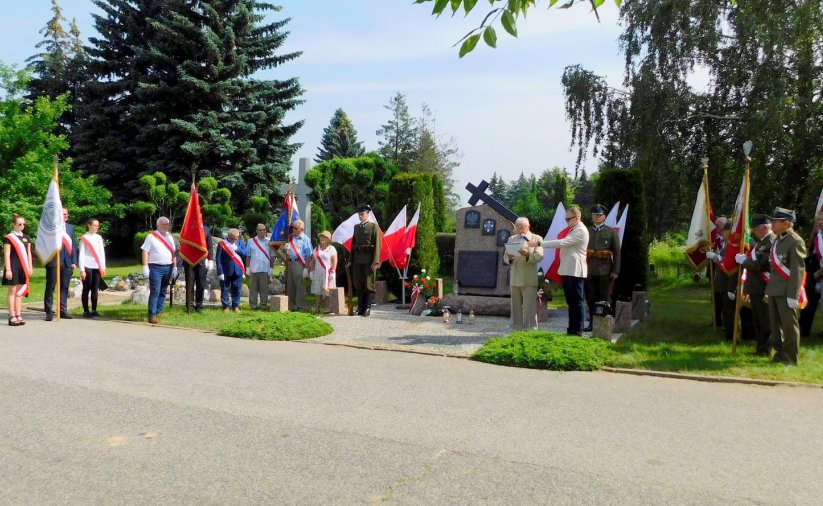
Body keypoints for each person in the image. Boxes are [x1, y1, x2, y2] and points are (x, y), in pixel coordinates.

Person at [537, 206, 589, 336]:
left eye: (568, 219)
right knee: (571, 302)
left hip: (575, 270)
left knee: (577, 301)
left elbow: (563, 242)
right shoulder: (573, 229)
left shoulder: (581, 230)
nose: (566, 221)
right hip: (568, 269)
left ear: (578, 217)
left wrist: (541, 244)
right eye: (565, 219)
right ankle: (572, 328)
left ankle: (578, 330)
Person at [765, 207, 806, 365]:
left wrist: (793, 295)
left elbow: (797, 270)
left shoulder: (795, 241)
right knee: (776, 327)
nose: (772, 224)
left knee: (789, 327)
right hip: (774, 289)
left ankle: (790, 357)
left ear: (787, 223)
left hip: (786, 291)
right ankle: (780, 354)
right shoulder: (778, 239)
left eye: (776, 221)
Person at [735, 214, 774, 355]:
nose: (753, 232)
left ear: (764, 227)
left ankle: (766, 350)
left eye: (755, 229)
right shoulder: (761, 242)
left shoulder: (770, 242)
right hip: (756, 287)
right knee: (757, 320)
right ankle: (761, 348)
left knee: (765, 321)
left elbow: (761, 266)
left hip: (763, 286)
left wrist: (744, 261)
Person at [503, 217, 544, 330]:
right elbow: (505, 257)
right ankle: (516, 327)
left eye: (523, 227)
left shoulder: (536, 238)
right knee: (515, 306)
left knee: (529, 306)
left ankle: (530, 328)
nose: (520, 230)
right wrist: (509, 258)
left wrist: (527, 255)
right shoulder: (512, 238)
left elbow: (539, 256)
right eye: (518, 227)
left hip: (528, 278)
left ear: (528, 226)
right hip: (515, 277)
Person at [584, 204, 621, 331]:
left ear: (604, 217)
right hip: (589, 269)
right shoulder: (586, 231)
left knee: (604, 297)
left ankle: (605, 323)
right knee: (590, 297)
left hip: (605, 269)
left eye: (599, 215)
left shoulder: (611, 232)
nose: (596, 217)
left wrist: (616, 270)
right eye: (594, 215)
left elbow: (617, 252)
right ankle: (592, 323)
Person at [141, 217, 178, 324]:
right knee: (155, 291)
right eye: (163, 224)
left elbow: (173, 253)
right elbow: (145, 252)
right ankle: (152, 314)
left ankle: (159, 310)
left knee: (163, 291)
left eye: (167, 224)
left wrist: (175, 266)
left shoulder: (170, 237)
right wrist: (145, 267)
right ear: (157, 225)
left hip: (168, 266)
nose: (166, 226)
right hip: (155, 267)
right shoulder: (151, 236)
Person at [44, 207, 78, 320]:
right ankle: (49, 311)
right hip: (53, 261)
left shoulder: (70, 228)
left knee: (64, 287)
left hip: (67, 262)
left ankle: (63, 310)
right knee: (50, 287)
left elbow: (73, 246)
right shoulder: (51, 227)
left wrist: (74, 261)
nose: (65, 216)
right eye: (63, 214)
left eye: (66, 214)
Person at [350, 205, 381, 317]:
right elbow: (352, 244)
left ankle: (367, 308)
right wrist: (351, 259)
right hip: (358, 260)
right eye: (359, 214)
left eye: (363, 214)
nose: (361, 216)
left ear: (368, 214)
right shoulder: (356, 227)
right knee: (359, 284)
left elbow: (377, 245)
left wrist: (375, 261)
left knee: (369, 284)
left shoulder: (373, 227)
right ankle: (360, 307)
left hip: (369, 260)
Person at [3, 214, 33, 326]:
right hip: (13, 266)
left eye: (23, 224)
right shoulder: (9, 238)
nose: (22, 226)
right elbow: (7, 254)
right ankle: (11, 315)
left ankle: (18, 314)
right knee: (12, 291)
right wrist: (8, 270)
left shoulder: (26, 237)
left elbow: (29, 253)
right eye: (19, 224)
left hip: (23, 267)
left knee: (19, 293)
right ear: (13, 224)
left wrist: (30, 266)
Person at [799, 208, 823, 337]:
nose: (820, 223)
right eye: (818, 220)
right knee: (810, 302)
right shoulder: (816, 237)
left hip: (820, 272)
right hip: (814, 274)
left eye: (822, 220)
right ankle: (804, 329)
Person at [279, 219, 313, 311]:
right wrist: (286, 250)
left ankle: (300, 305)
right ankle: (291, 305)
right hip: (290, 263)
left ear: (301, 229)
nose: (293, 229)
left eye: (295, 228)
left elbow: (309, 255)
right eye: (293, 227)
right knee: (290, 285)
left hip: (299, 263)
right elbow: (285, 252)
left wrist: (306, 268)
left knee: (299, 285)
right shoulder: (290, 237)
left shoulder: (305, 239)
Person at [78, 218, 107, 318]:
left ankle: (94, 310)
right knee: (87, 288)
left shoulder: (99, 237)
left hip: (97, 266)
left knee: (95, 288)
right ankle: (86, 310)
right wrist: (82, 269)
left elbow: (101, 253)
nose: (96, 227)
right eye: (94, 225)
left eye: (97, 225)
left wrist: (103, 266)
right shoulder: (84, 238)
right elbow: (81, 254)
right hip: (87, 265)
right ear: (89, 225)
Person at [183, 223, 213, 314]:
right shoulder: (187, 227)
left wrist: (210, 259)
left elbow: (209, 246)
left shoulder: (206, 229)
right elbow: (183, 243)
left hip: (202, 261)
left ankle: (199, 306)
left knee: (201, 283)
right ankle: (189, 307)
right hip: (189, 260)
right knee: (190, 284)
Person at [216, 228, 248, 313]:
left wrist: (237, 249)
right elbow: (218, 259)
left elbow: (245, 254)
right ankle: (226, 306)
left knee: (237, 288)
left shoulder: (241, 243)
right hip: (225, 270)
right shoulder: (222, 244)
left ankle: (236, 306)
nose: (234, 239)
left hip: (238, 270)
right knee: (225, 289)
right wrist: (220, 272)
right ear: (229, 236)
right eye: (233, 238)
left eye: (236, 238)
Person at [308, 230, 338, 313]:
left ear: (328, 239)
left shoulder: (332, 249)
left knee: (327, 291)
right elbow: (313, 261)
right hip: (318, 272)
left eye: (324, 237)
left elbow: (334, 261)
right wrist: (311, 271)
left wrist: (333, 271)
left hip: (328, 273)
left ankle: (327, 308)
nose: (322, 238)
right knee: (318, 292)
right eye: (321, 236)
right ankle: (317, 308)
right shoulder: (316, 249)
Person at [246, 223, 273, 310]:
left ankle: (263, 305)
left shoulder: (269, 241)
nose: (262, 231)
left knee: (264, 289)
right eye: (260, 230)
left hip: (265, 269)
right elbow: (248, 256)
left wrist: (271, 268)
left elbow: (272, 256)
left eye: (264, 230)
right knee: (253, 288)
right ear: (257, 231)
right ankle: (253, 305)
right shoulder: (251, 241)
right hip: (254, 269)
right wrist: (247, 268)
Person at [709, 216, 728, 328]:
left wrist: (715, 256)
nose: (716, 226)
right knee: (715, 298)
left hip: (725, 274)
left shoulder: (728, 239)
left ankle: (725, 322)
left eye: (719, 224)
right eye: (715, 224)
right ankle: (716, 320)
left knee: (724, 300)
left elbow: (724, 256)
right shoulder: (715, 238)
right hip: (715, 273)